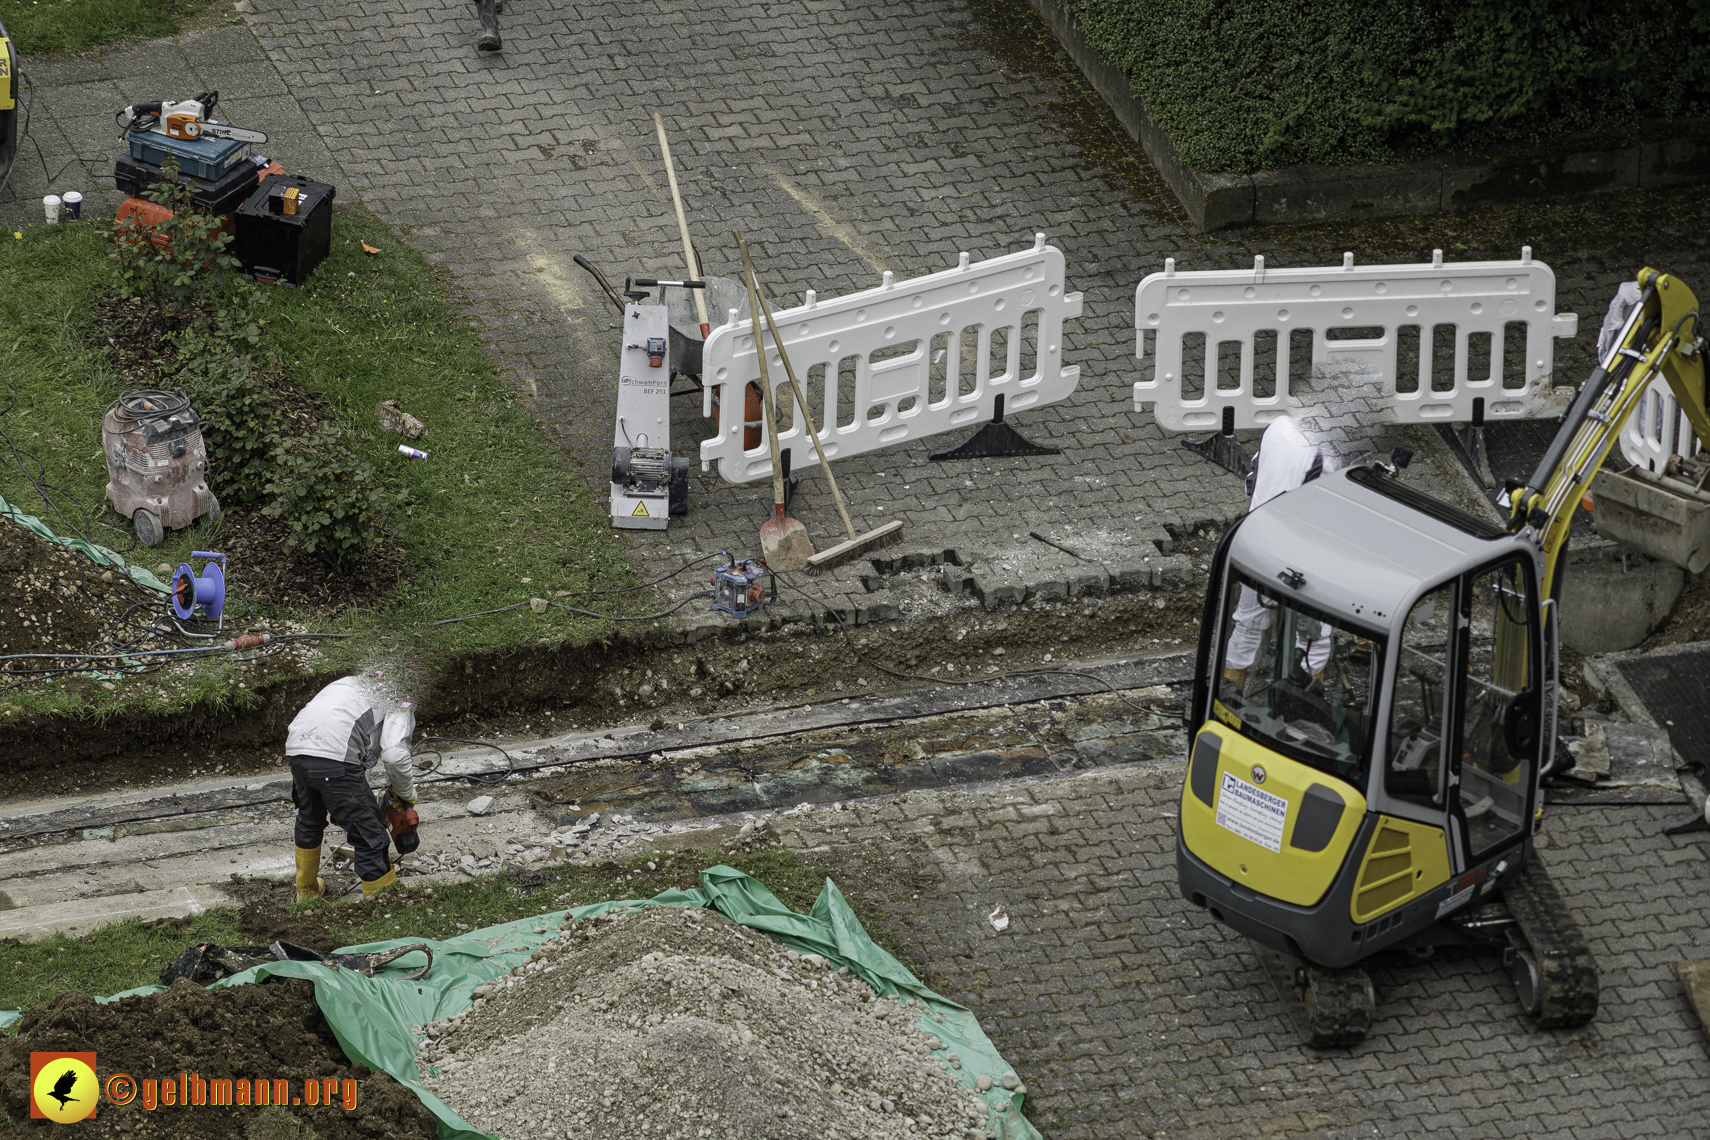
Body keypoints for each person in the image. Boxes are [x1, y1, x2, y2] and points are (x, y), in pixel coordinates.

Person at [1224, 414, 1337, 690]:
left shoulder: (1277, 427)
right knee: (1314, 637)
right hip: (1300, 559)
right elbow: (1328, 516)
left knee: (1247, 624)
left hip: (1257, 542)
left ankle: (1226, 699)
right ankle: (1306, 707)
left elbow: (1251, 480)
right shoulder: (1329, 455)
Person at [287, 676, 418, 902]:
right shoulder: (401, 696)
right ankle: (381, 903)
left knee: (310, 818)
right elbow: (395, 756)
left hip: (298, 750)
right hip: (336, 756)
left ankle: (306, 892)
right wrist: (407, 796)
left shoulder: (349, 683)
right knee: (369, 834)